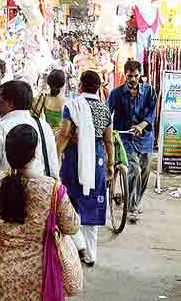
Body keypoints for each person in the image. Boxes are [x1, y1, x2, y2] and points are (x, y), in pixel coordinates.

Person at [0, 125, 80, 301]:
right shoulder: (52, 189)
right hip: (39, 276)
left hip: (1, 272)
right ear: (36, 152)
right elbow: (72, 227)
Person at [57, 70, 114, 267]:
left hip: (74, 161)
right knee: (92, 205)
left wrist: (55, 157)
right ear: (98, 87)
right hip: (96, 162)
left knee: (70, 204)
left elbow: (64, 134)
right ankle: (90, 255)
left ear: (80, 85)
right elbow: (109, 141)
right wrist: (110, 166)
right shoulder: (105, 110)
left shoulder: (72, 105)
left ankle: (73, 251)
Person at [0, 80, 60, 188]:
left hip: (7, 196)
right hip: (41, 193)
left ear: (10, 103)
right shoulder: (43, 126)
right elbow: (53, 168)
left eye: (0, 98)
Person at [107, 59, 157, 224]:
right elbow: (108, 114)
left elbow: (151, 114)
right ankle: (132, 208)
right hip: (125, 138)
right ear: (125, 75)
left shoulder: (149, 91)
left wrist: (142, 126)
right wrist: (107, 132)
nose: (133, 79)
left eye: (135, 76)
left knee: (145, 172)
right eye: (130, 76)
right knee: (134, 169)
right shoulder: (116, 93)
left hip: (145, 139)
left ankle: (134, 201)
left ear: (140, 75)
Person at [33, 69, 67, 134]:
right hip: (58, 136)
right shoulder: (65, 101)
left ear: (48, 81)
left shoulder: (43, 96)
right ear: (62, 84)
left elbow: (35, 114)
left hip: (45, 133)